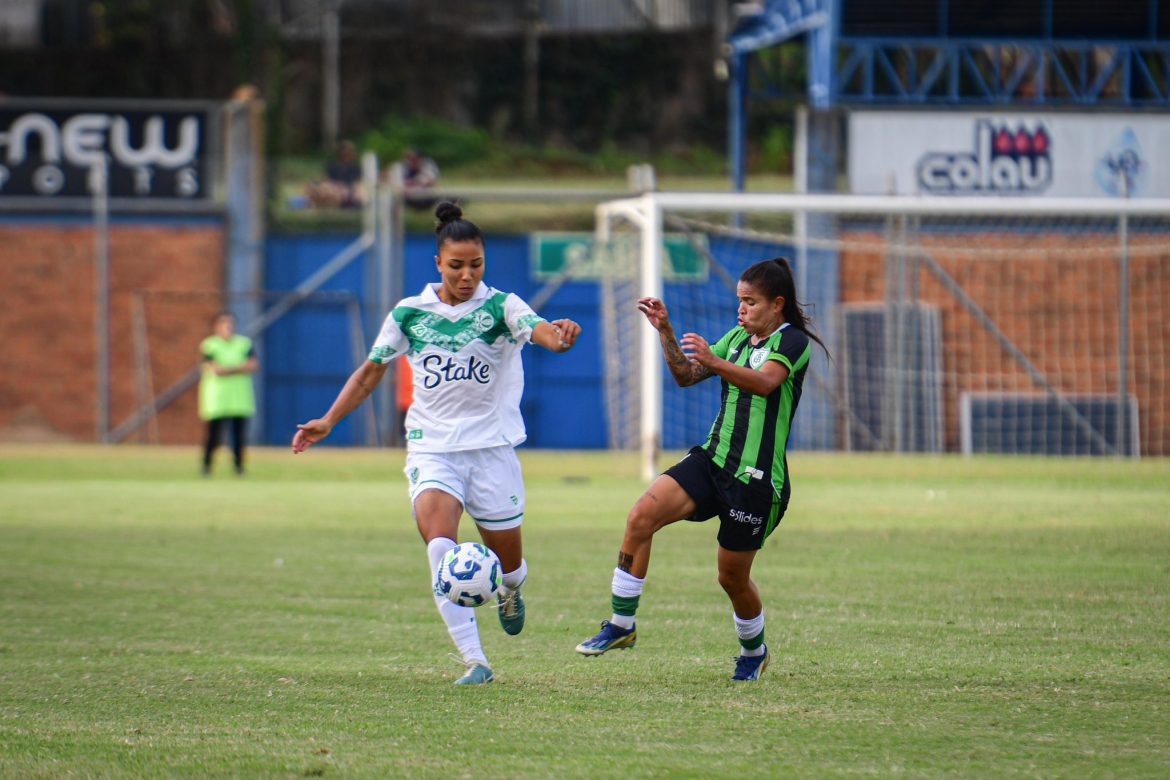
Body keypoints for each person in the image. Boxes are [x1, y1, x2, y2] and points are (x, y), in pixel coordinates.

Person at [292, 201, 582, 686]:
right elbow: (370, 373)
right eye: (456, 266)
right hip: (432, 449)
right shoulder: (409, 314)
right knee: (440, 552)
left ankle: (510, 590)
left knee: (509, 567)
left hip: (491, 451)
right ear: (437, 264)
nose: (467, 275)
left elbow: (544, 334)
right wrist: (328, 420)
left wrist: (563, 336)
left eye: (476, 265)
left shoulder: (501, 306)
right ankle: (476, 662)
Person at [575, 257, 827, 682]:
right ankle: (621, 625)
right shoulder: (737, 338)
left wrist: (713, 360)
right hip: (712, 461)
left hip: (756, 482)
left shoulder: (792, 343)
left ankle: (754, 650)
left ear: (777, 305)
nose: (741, 310)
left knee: (731, 578)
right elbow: (686, 376)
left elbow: (765, 383)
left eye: (750, 302)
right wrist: (666, 332)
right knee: (640, 516)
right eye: (739, 301)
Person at [199, 312, 258, 476]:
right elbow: (214, 369)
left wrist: (227, 369)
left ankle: (239, 468)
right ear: (216, 327)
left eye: (231, 324)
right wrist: (239, 368)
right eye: (224, 324)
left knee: (239, 437)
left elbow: (252, 366)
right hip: (217, 399)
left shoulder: (244, 344)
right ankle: (206, 466)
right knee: (214, 436)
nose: (228, 328)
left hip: (239, 398)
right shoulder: (210, 345)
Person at [306, 140, 364, 209]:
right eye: (345, 153)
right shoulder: (333, 166)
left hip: (346, 191)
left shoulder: (355, 168)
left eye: (350, 153)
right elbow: (325, 179)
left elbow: (358, 184)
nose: (347, 155)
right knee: (319, 187)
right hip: (332, 188)